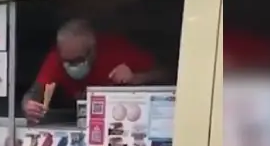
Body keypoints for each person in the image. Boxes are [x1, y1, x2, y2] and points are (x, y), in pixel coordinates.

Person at [22, 19, 164, 124]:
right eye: (67, 61)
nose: (71, 66)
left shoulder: (117, 51)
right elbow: (34, 93)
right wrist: (28, 105)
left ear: (93, 50)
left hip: (122, 123)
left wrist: (136, 78)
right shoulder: (56, 59)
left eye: (78, 60)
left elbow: (167, 73)